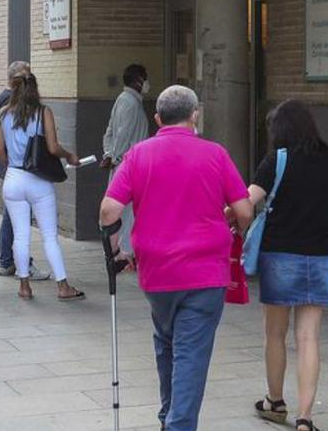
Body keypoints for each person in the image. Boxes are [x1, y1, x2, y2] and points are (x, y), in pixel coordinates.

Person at [99, 85, 254, 431]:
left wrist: (115, 253)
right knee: (190, 354)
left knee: (166, 342)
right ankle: (178, 424)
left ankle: (167, 416)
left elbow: (109, 209)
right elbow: (245, 210)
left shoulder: (138, 154)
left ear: (157, 119)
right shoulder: (215, 154)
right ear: (195, 115)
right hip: (204, 274)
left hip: (156, 273)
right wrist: (232, 226)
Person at [247, 100, 328, 431]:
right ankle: (305, 418)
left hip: (279, 255)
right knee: (309, 338)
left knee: (275, 334)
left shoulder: (276, 160)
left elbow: (247, 200)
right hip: (319, 256)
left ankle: (275, 403)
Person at [0, 73, 83, 300]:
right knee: (49, 236)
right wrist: (69, 155)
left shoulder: (3, 114)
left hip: (13, 178)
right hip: (38, 180)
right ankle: (63, 286)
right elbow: (52, 148)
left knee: (20, 236)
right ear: (35, 89)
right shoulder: (43, 113)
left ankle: (24, 286)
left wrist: (12, 166)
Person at [0, 61, 48, 280]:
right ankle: (11, 262)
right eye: (26, 77)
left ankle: (8, 261)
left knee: (12, 217)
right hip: (18, 168)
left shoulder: (3, 100)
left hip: (12, 168)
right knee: (16, 220)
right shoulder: (10, 102)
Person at [100, 63, 150, 257]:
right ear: (138, 81)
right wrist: (114, 156)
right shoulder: (130, 103)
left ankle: (122, 249)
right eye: (145, 78)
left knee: (126, 209)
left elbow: (110, 132)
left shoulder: (123, 100)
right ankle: (124, 251)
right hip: (129, 165)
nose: (147, 83)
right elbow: (121, 133)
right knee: (128, 211)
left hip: (122, 163)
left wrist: (109, 155)